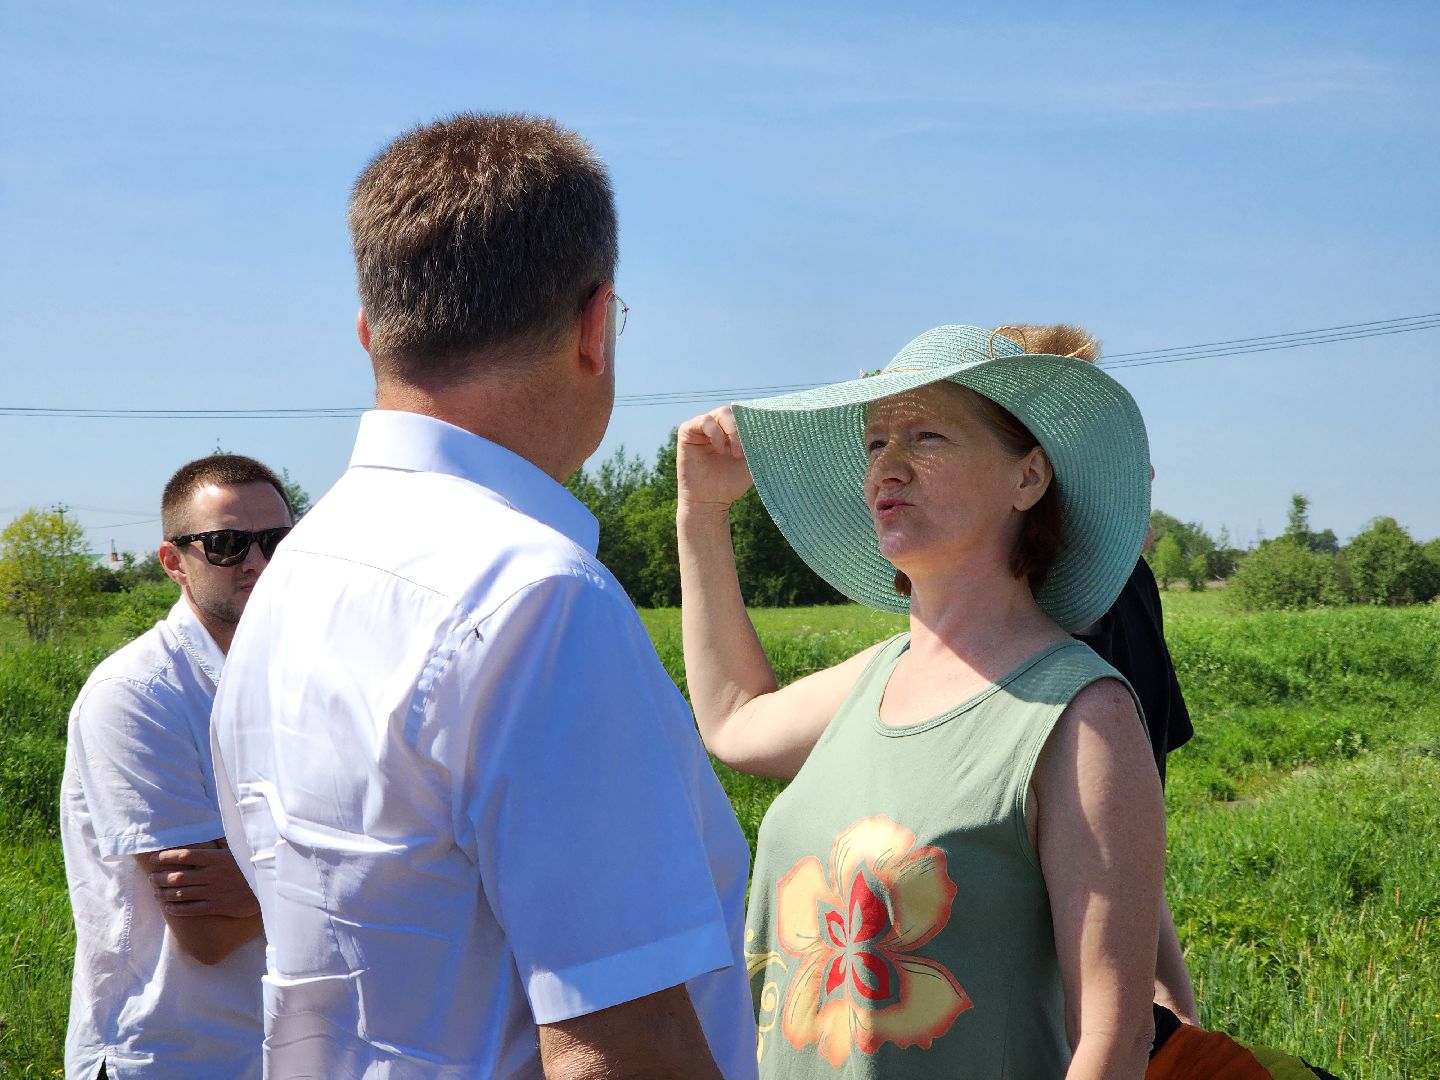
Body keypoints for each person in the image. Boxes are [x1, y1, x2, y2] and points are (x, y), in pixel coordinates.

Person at [209, 113, 756, 1079]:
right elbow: (620, 1049)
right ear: (596, 327)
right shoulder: (535, 599)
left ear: (371, 333)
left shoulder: (293, 570)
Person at [677, 324, 1166, 1079]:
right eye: (875, 445)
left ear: (1027, 477)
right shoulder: (875, 675)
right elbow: (734, 718)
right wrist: (702, 515)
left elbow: (1112, 1039)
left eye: (926, 437)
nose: (887, 469)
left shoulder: (1079, 715)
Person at [60, 454, 292, 1080]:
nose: (257, 560)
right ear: (173, 563)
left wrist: (257, 882)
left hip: (281, 1049)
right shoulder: (137, 694)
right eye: (225, 543)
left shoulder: (307, 678)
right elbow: (210, 933)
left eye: (278, 540)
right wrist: (355, 868)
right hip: (169, 1053)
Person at [998, 323, 1199, 1027]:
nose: (1143, 473)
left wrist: (1174, 999)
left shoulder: (1130, 589)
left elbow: (1131, 842)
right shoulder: (997, 611)